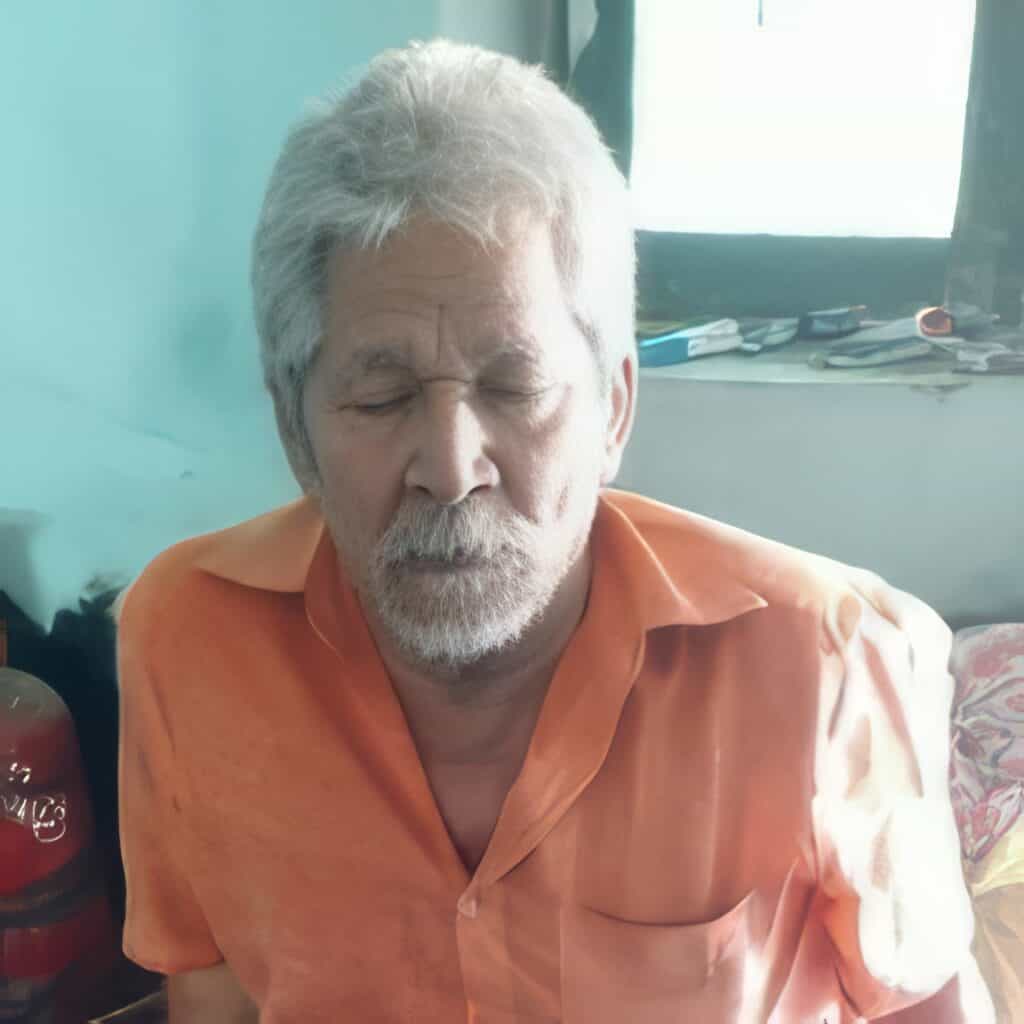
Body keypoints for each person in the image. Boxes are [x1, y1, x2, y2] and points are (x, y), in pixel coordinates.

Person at [116, 40, 991, 1023]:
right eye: (381, 393)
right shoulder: (184, 639)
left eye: (513, 385)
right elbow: (213, 988)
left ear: (613, 408)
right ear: (294, 427)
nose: (450, 468)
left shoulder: (825, 662)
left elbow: (926, 1003)